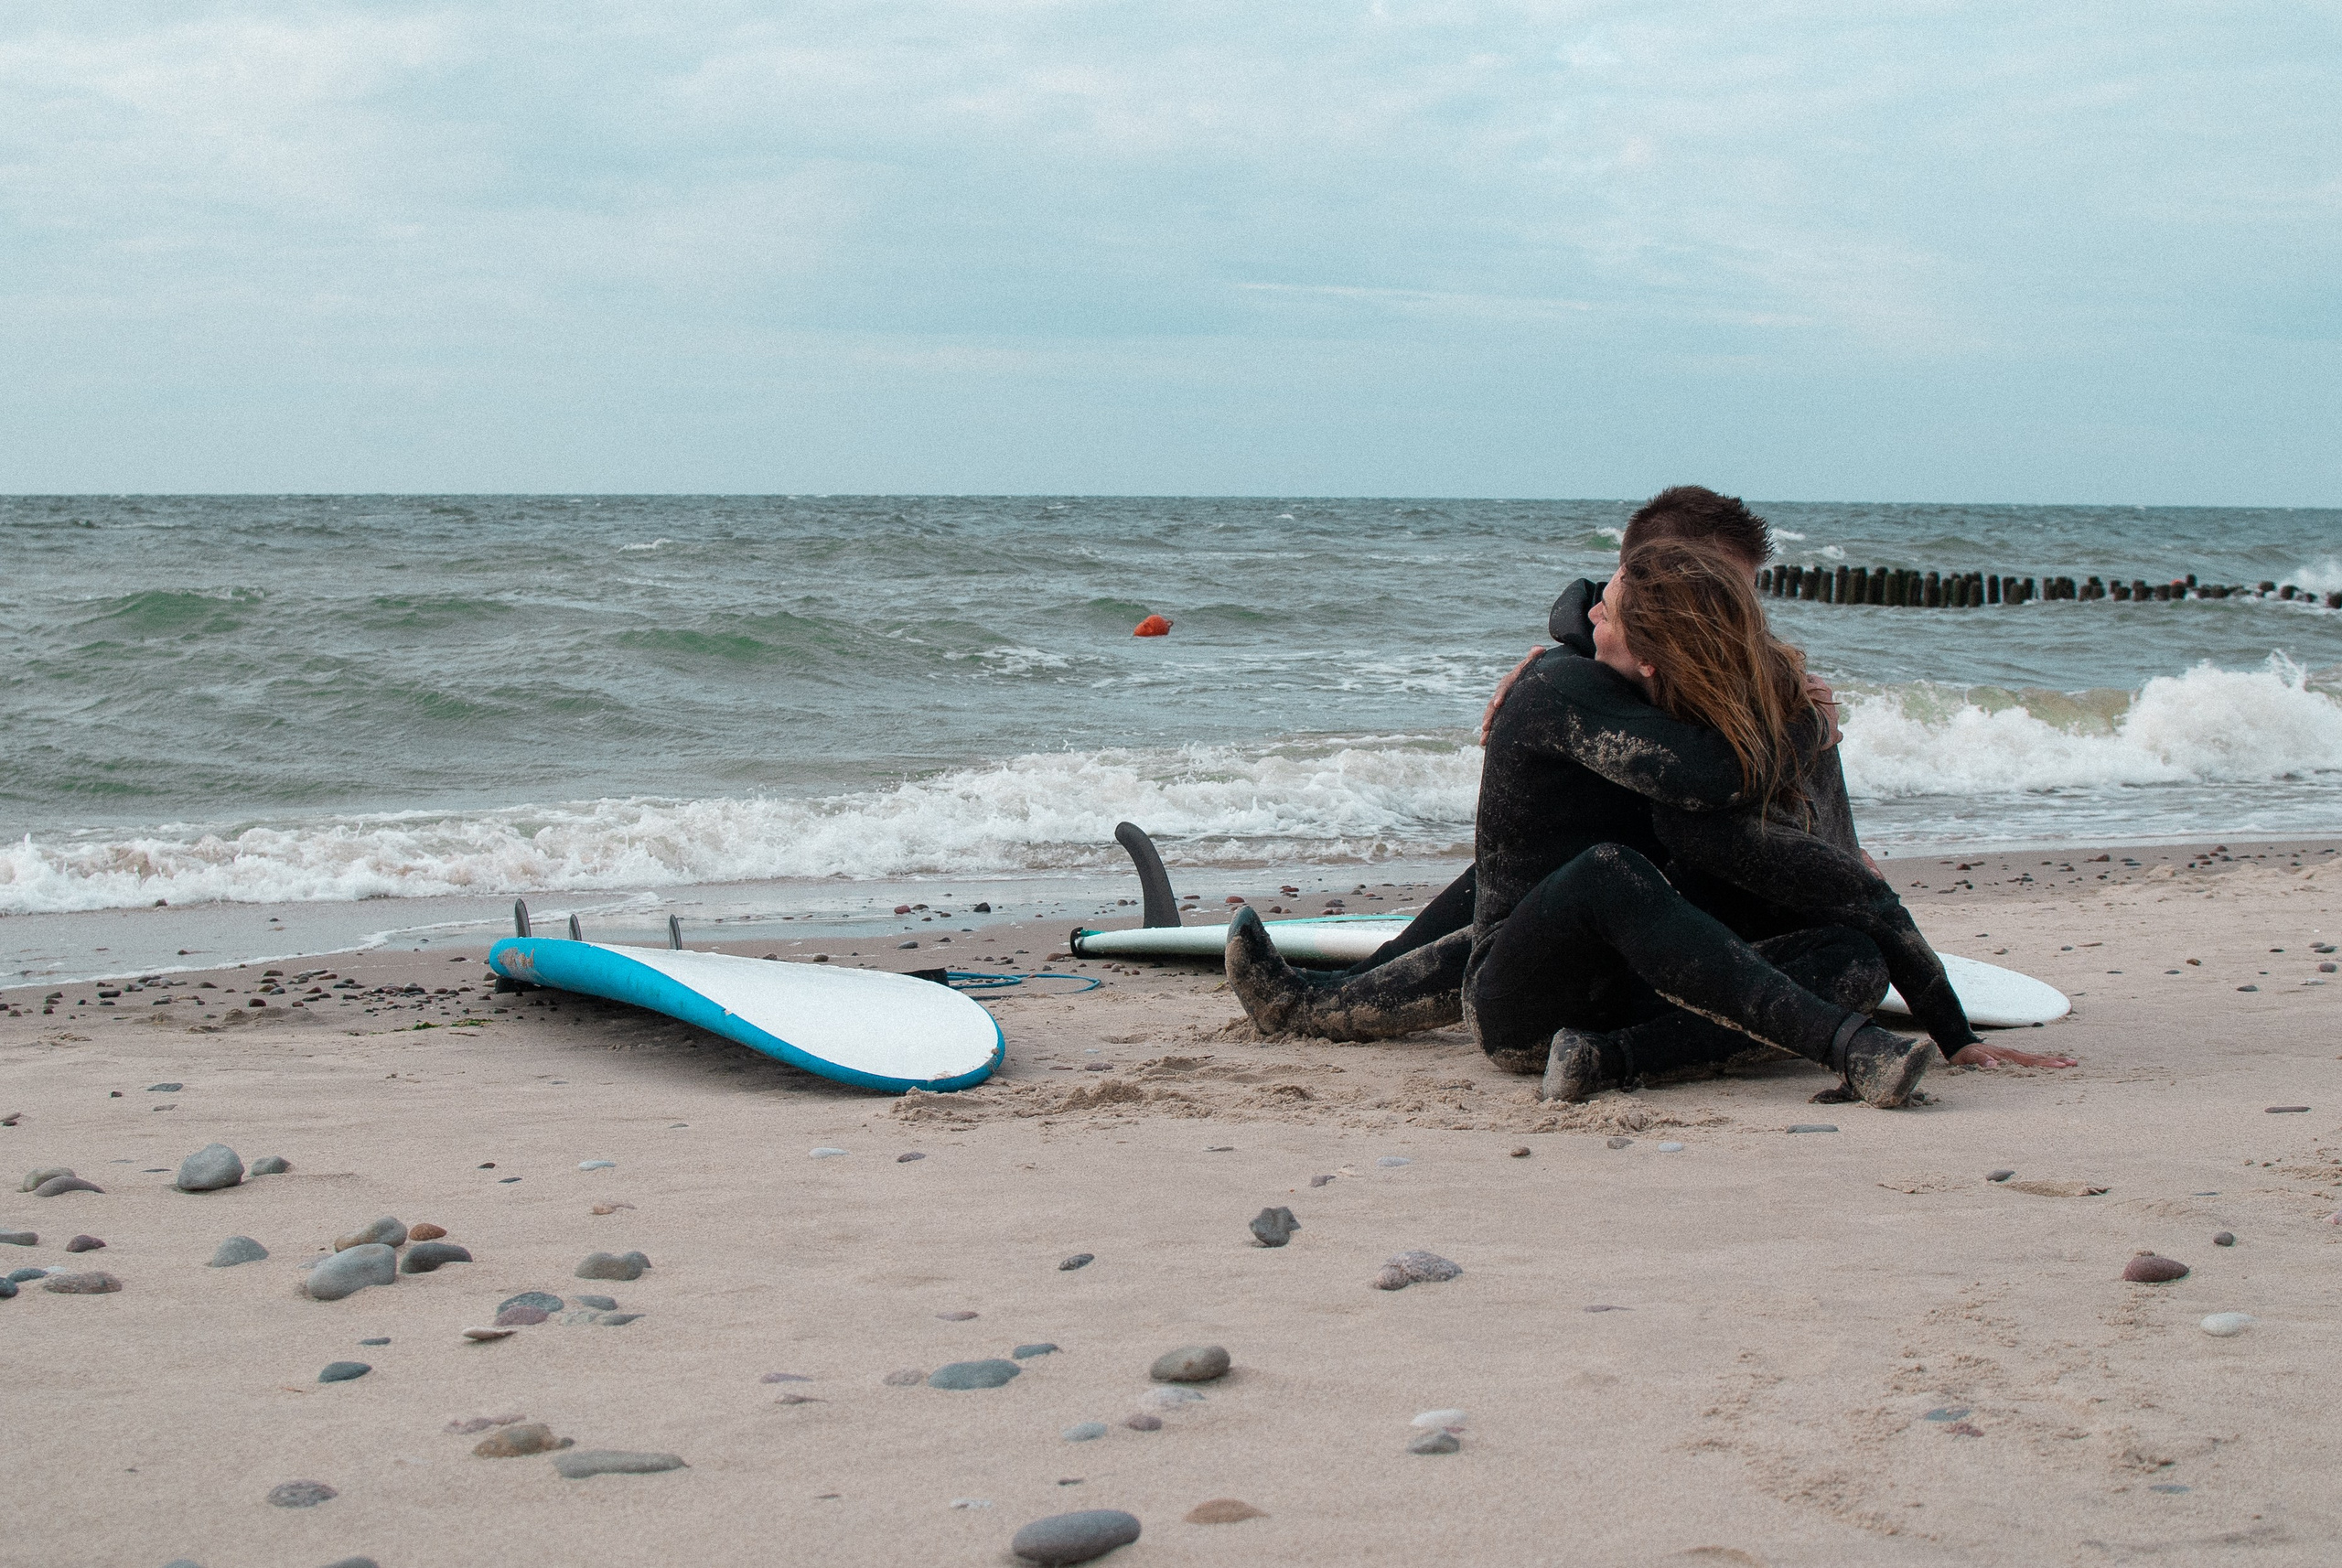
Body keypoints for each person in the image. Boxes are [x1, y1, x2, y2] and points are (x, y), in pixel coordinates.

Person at [1226, 487, 2074, 1076]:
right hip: (1574, 920)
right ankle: (1323, 1003)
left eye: (1743, 597)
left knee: (1627, 879)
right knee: (1546, 872)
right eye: (1719, 596)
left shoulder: (1763, 687)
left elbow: (1837, 861)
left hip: (1669, 917)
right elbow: (1591, 652)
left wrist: (1941, 1015)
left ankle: (1332, 1006)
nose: (1743, 620)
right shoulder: (1586, 662)